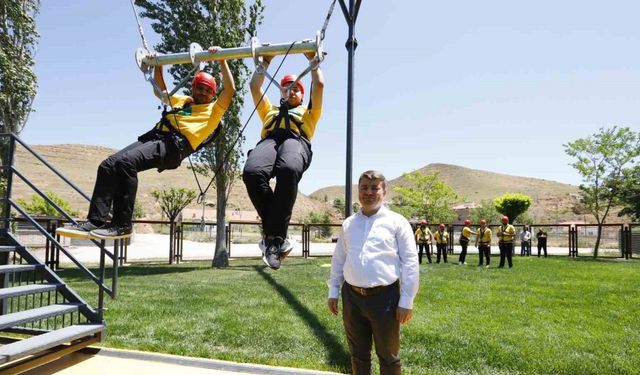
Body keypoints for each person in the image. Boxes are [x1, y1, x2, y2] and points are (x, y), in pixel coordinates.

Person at [61, 48, 235, 240]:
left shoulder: (214, 110)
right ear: (192, 88)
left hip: (173, 146)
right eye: (199, 88)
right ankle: (95, 221)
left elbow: (230, 90)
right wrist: (158, 64)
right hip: (156, 136)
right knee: (108, 165)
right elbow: (160, 91)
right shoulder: (183, 100)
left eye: (207, 90)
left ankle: (122, 225)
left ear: (213, 94)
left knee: (126, 163)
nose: (202, 93)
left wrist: (221, 60)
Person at [327, 170, 419, 375]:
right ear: (358, 191)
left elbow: (410, 262)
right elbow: (339, 259)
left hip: (385, 298)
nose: (369, 192)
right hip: (352, 298)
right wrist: (333, 291)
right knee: (358, 355)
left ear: (384, 191)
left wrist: (407, 300)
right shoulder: (349, 223)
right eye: (364, 188)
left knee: (389, 356)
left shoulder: (397, 222)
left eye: (374, 187)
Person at [243, 52, 324, 270]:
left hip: (296, 141)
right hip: (270, 141)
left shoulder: (308, 112)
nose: (291, 90)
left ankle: (274, 241)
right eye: (287, 87)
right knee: (252, 173)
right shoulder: (270, 111)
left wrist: (313, 63)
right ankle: (277, 238)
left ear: (301, 93)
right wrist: (265, 62)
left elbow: (319, 86)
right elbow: (254, 87)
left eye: (296, 88)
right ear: (281, 91)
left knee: (288, 169)